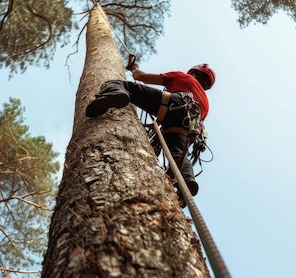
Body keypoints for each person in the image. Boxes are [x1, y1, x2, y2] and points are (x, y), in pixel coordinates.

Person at [85, 63, 216, 205]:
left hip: (172, 103)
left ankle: (116, 92)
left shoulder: (182, 76)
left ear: (193, 72)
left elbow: (141, 77)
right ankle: (187, 179)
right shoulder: (206, 104)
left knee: (118, 83)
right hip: (187, 125)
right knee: (177, 154)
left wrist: (134, 68)